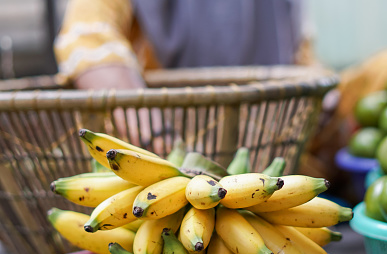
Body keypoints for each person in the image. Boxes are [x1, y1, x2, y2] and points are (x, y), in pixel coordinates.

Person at [53, 0, 317, 152]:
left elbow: (302, 58)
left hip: (268, 148)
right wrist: (160, 140)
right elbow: (86, 39)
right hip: (157, 152)